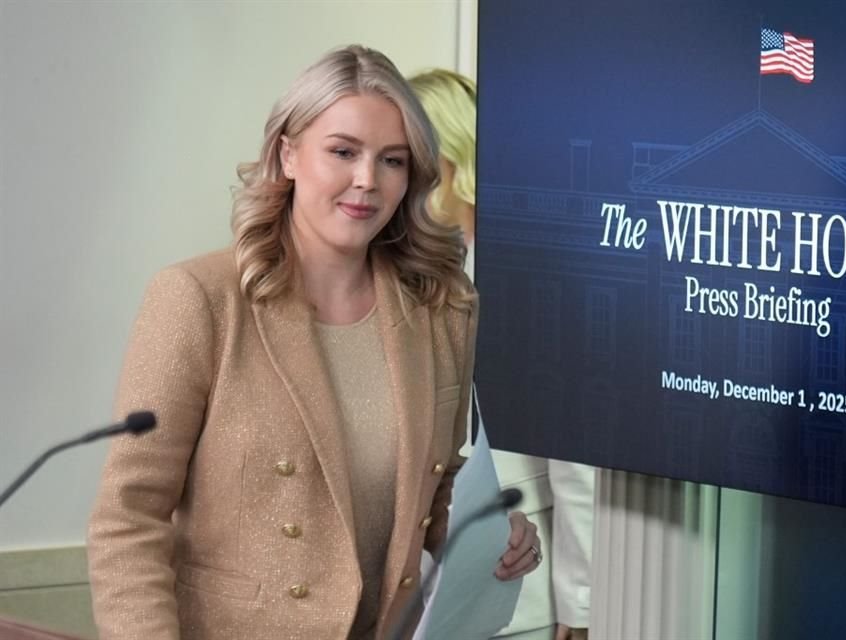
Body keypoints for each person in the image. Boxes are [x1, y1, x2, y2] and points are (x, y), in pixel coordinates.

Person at [86, 45, 541, 640]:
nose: (366, 181)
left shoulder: (443, 307)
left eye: (392, 161)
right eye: (343, 151)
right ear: (289, 153)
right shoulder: (199, 299)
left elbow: (436, 481)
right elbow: (128, 517)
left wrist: (490, 527)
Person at [408, 69, 595, 640]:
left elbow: (579, 457)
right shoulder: (417, 279)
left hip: (524, 588)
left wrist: (580, 605)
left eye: (407, 162)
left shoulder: (536, 281)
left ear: (451, 161)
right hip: (430, 585)